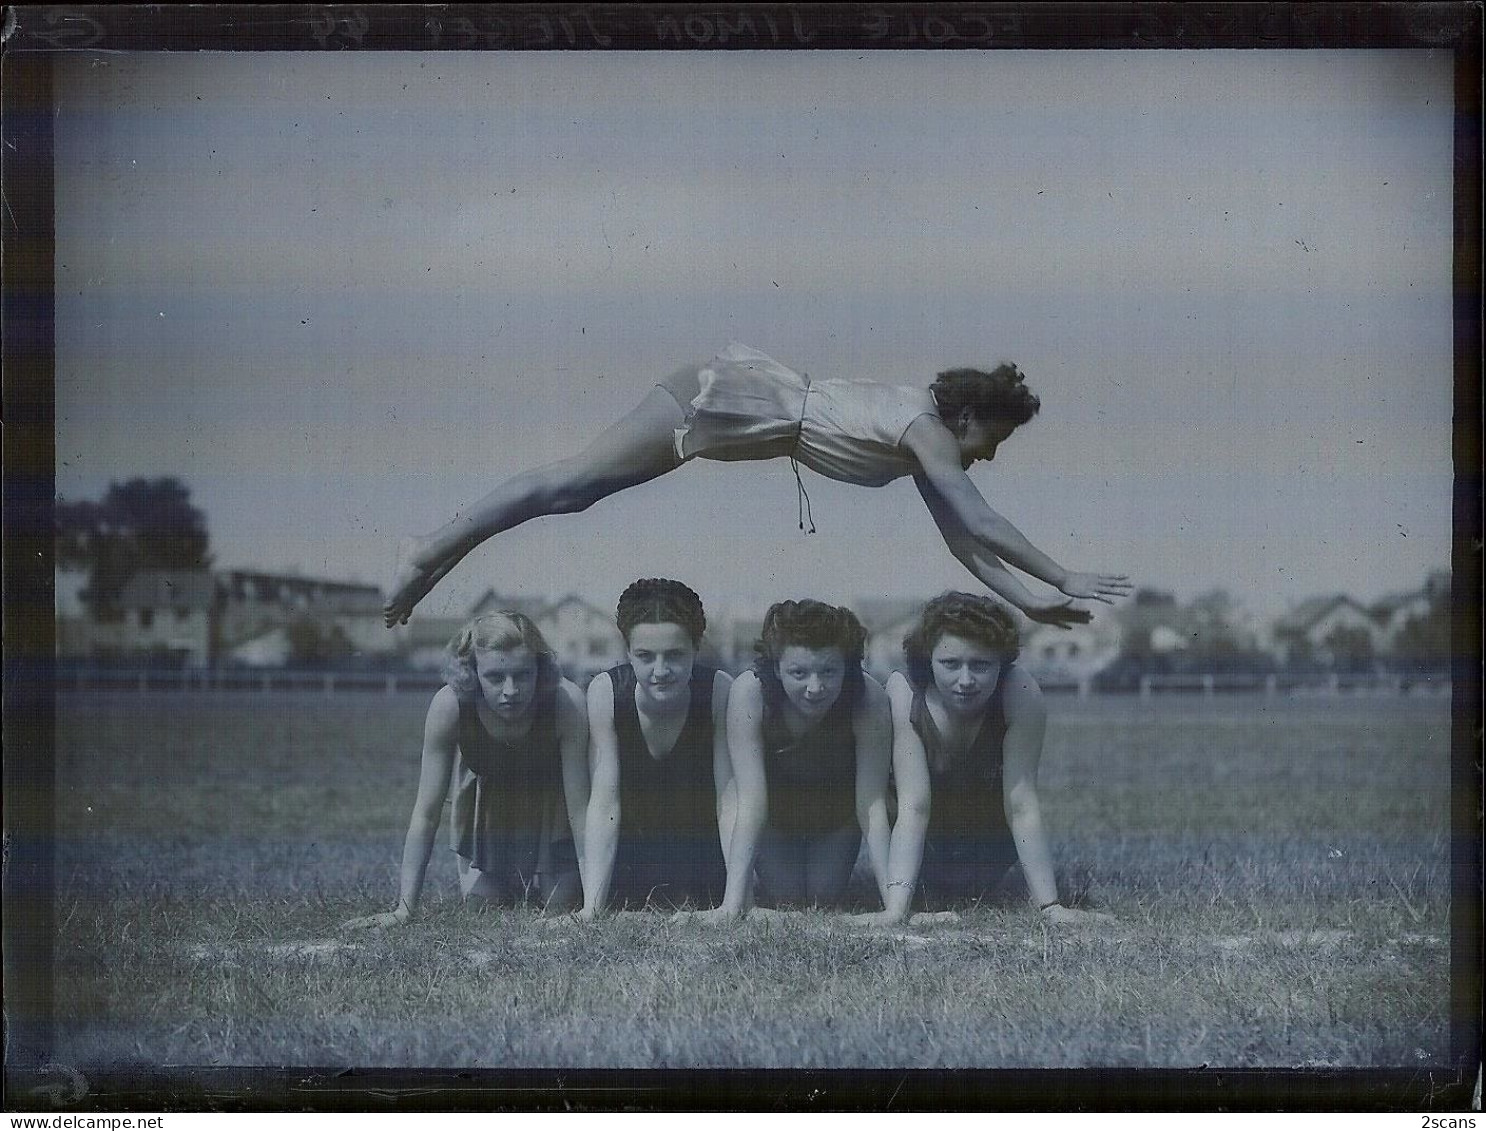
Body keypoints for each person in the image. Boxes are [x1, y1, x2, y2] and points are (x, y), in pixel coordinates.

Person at [384, 344, 1130, 628]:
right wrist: (1062, 573)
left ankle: (431, 561)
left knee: (572, 493)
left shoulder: (923, 444)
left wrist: (1031, 601)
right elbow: (984, 519)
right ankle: (430, 548)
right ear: (966, 416)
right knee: (572, 482)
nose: (989, 458)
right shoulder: (927, 431)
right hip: (731, 396)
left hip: (741, 409)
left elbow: (964, 540)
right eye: (991, 441)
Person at [848, 592, 1116, 928]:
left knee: (968, 885)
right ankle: (909, 893)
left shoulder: (1019, 691)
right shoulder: (904, 691)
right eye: (950, 664)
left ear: (1001, 664)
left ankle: (962, 886)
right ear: (928, 658)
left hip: (984, 843)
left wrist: (1050, 906)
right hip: (920, 838)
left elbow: (1020, 802)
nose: (965, 680)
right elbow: (914, 806)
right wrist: (897, 911)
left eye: (981, 665)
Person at [342, 612, 588, 928]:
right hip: (488, 810)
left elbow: (581, 811)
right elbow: (426, 813)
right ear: (471, 672)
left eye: (523, 675)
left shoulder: (565, 701)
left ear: (540, 670)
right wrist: (404, 909)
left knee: (561, 903)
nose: (510, 690)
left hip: (554, 806)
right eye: (496, 677)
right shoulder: (450, 705)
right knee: (484, 906)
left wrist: (591, 907)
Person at [684, 600, 894, 924]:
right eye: (799, 672)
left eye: (828, 671)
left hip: (836, 816)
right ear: (776, 667)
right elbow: (750, 801)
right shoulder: (750, 693)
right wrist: (733, 904)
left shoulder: (869, 698)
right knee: (788, 898)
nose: (815, 687)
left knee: (822, 898)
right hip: (775, 817)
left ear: (848, 667)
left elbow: (872, 803)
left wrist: (892, 904)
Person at [579, 579, 735, 915]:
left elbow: (730, 800)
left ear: (696, 648)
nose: (661, 671)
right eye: (646, 656)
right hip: (630, 861)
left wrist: (736, 901)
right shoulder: (606, 693)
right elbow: (605, 802)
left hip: (700, 861)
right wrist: (591, 909)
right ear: (627, 652)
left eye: (675, 655)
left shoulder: (719, 691)